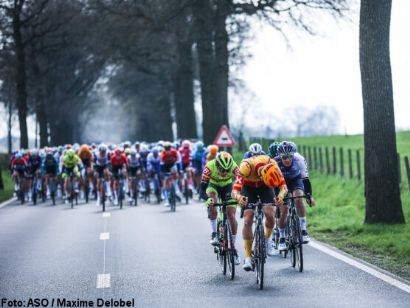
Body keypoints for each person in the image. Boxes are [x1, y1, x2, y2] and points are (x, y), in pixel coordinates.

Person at [232, 154, 286, 271]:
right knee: (248, 219)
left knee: (270, 214)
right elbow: (234, 191)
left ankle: (266, 241)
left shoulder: (272, 163)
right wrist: (239, 197)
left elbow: (283, 187)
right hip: (248, 188)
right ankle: (248, 258)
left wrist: (281, 196)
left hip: (265, 188)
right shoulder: (246, 167)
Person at [200, 152, 241, 265]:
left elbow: (242, 184)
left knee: (231, 215)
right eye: (222, 169)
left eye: (227, 170)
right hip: (212, 186)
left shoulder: (235, 168)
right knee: (212, 201)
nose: (224, 172)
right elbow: (202, 190)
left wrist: (240, 197)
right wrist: (207, 200)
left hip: (228, 186)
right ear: (217, 165)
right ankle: (214, 233)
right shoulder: (209, 167)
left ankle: (233, 248)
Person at [274, 141, 316, 249]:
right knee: (284, 211)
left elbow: (305, 180)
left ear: (293, 155)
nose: (287, 160)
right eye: (284, 157)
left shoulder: (299, 160)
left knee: (298, 198)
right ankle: (282, 238)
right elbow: (272, 184)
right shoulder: (274, 163)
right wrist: (276, 198)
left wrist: (309, 196)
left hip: (296, 180)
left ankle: (303, 230)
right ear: (279, 156)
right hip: (280, 183)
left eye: (289, 157)